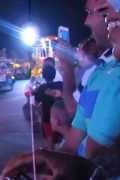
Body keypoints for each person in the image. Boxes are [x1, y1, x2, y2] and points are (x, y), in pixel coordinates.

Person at [55, 0, 120, 171]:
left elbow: (93, 163)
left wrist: (68, 73)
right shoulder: (100, 72)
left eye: (90, 13)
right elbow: (73, 142)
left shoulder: (113, 78)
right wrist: (47, 158)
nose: (85, 21)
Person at [34, 64, 63, 148]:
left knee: (50, 139)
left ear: (43, 75)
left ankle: (52, 155)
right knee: (63, 138)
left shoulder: (42, 88)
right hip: (61, 116)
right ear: (54, 74)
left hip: (47, 117)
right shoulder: (61, 84)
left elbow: (36, 103)